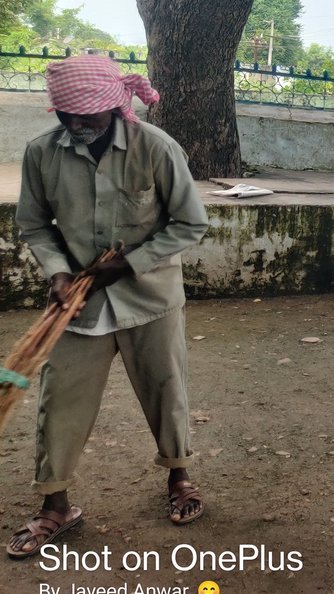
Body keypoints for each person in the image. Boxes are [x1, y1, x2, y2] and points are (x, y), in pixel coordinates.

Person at [8, 55, 210, 560]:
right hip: (78, 302)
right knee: (60, 399)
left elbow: (190, 223)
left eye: (87, 114)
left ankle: (179, 478)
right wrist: (58, 272)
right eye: (66, 114)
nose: (76, 123)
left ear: (114, 105)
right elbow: (35, 225)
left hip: (151, 298)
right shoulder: (41, 153)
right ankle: (55, 505)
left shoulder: (156, 147)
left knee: (166, 389)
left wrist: (130, 263)